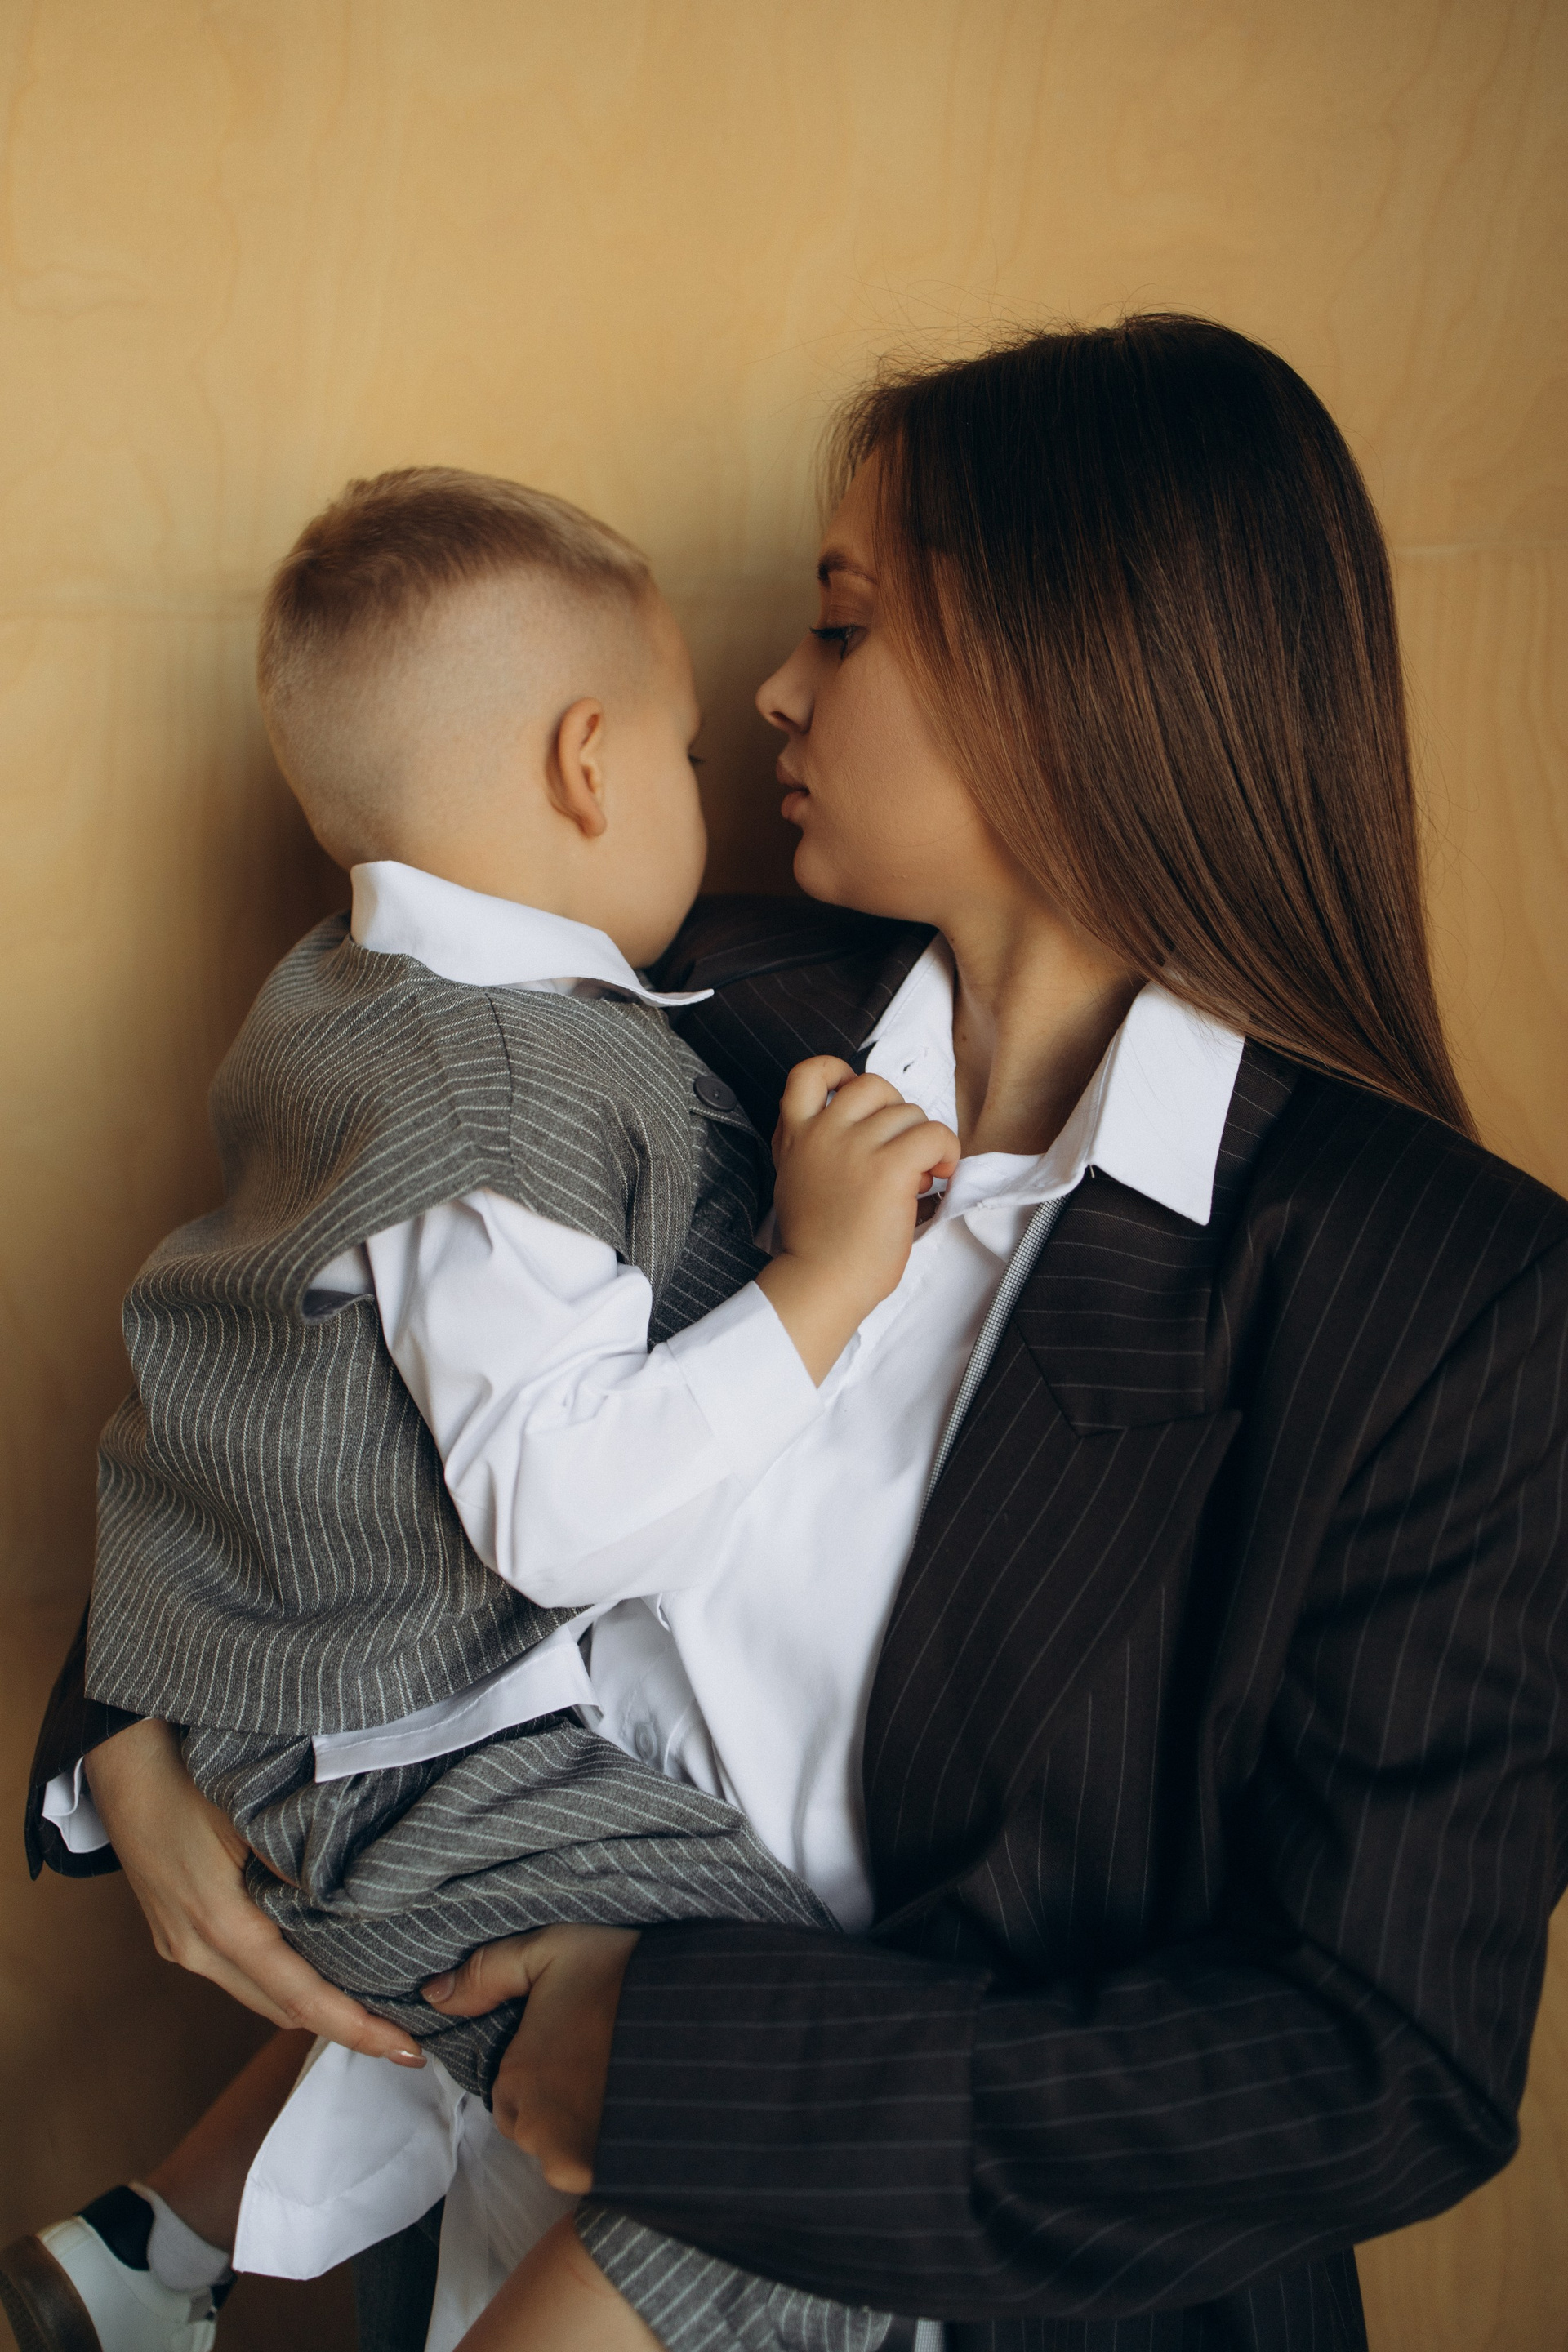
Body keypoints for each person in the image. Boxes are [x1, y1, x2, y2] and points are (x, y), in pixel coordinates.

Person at [24, 313, 1568, 2352]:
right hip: (438, 2219)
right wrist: (123, 1727)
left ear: (1060, 671)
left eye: (843, 625)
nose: (773, 684)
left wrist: (685, 2065)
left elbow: (1380, 2065)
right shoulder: (682, 1008)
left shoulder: (1443, 1297)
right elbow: (332, 1326)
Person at [6, 465, 964, 2352]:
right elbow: (561, 1510)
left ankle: (150, 2254)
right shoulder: (504, 1094)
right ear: (589, 768)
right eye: (689, 753)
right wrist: (821, 1280)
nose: (748, 733)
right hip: (404, 1742)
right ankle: (158, 2258)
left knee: (718, 2058)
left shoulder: (351, 997)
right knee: (772, 2092)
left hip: (356, 1711)